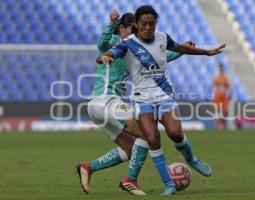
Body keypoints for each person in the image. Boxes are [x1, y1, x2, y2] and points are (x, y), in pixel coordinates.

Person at [97, 5, 226, 196]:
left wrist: (206, 52)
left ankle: (192, 159)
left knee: (174, 132)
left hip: (165, 95)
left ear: (155, 23)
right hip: (142, 100)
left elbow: (179, 47)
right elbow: (109, 53)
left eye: (151, 24)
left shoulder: (162, 38)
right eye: (144, 24)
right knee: (152, 139)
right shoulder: (127, 44)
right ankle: (169, 185)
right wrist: (105, 58)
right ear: (136, 25)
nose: (148, 28)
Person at [76, 10, 185, 195]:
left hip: (100, 106)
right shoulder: (114, 42)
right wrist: (111, 25)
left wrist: (181, 50)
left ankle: (88, 167)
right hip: (105, 100)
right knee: (146, 133)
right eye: (132, 29)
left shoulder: (133, 49)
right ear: (121, 29)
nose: (136, 33)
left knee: (129, 148)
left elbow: (158, 59)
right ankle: (130, 179)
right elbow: (101, 44)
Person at [213, 63, 231, 129]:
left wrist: (228, 93)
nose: (221, 69)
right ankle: (218, 124)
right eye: (220, 68)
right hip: (218, 95)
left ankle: (224, 124)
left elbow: (229, 86)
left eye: (222, 68)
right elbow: (213, 86)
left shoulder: (226, 77)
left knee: (225, 111)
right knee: (217, 110)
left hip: (224, 96)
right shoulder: (216, 77)